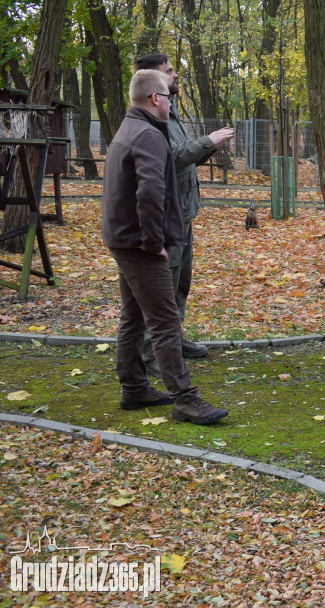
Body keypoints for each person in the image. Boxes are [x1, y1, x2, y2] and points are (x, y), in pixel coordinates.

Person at [102, 70, 228, 425]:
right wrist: (154, 243)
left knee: (133, 317)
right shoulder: (149, 135)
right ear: (154, 98)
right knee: (165, 321)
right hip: (140, 244)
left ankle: (134, 387)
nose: (171, 101)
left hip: (123, 239)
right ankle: (186, 400)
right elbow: (150, 193)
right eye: (168, 96)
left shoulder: (129, 128)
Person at [134, 53, 234, 376]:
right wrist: (208, 140)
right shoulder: (152, 118)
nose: (176, 75)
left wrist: (208, 148)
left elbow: (184, 158)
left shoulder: (171, 112)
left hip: (183, 212)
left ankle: (173, 341)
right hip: (165, 216)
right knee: (163, 286)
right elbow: (173, 158)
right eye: (169, 71)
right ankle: (152, 356)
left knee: (181, 283)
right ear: (154, 82)